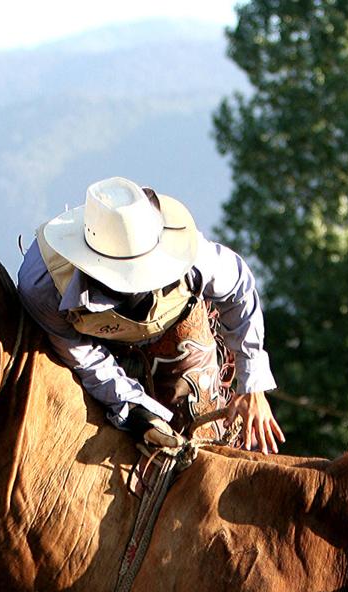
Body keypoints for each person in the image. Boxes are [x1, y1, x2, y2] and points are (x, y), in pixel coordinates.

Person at [17, 176, 284, 453]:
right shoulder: (44, 283)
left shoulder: (193, 257)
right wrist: (138, 411)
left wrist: (251, 382)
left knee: (200, 442)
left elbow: (239, 288)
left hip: (178, 333)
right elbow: (82, 356)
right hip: (95, 348)